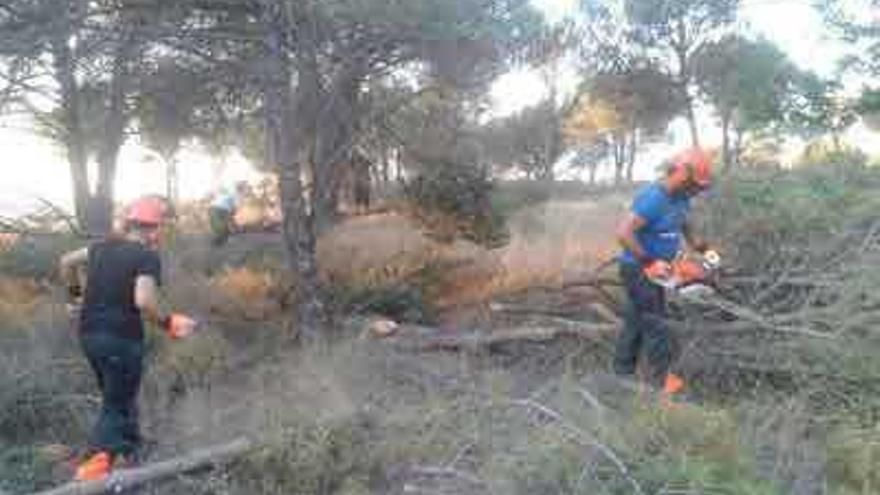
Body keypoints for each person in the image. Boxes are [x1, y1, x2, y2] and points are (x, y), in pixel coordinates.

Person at [59, 197, 197, 481]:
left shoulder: (99, 249)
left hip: (89, 335)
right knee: (116, 404)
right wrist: (168, 322)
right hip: (121, 338)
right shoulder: (146, 256)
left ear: (129, 222)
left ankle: (135, 451)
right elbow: (143, 301)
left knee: (119, 395)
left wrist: (73, 296)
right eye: (159, 228)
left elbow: (66, 261)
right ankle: (90, 473)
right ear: (154, 228)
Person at [614, 148, 714, 395]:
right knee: (656, 324)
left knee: (636, 320)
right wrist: (648, 262)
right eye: (693, 185)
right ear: (681, 174)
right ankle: (662, 387)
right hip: (639, 269)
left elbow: (685, 225)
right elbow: (623, 233)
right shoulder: (653, 198)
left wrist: (705, 249)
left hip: (660, 270)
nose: (695, 191)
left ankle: (621, 373)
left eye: (699, 188)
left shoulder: (682, 199)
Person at [208, 181, 248, 246]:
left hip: (216, 208)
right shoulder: (236, 194)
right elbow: (235, 207)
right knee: (223, 227)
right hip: (221, 209)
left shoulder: (232, 192)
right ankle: (221, 240)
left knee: (222, 227)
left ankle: (220, 240)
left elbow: (235, 207)